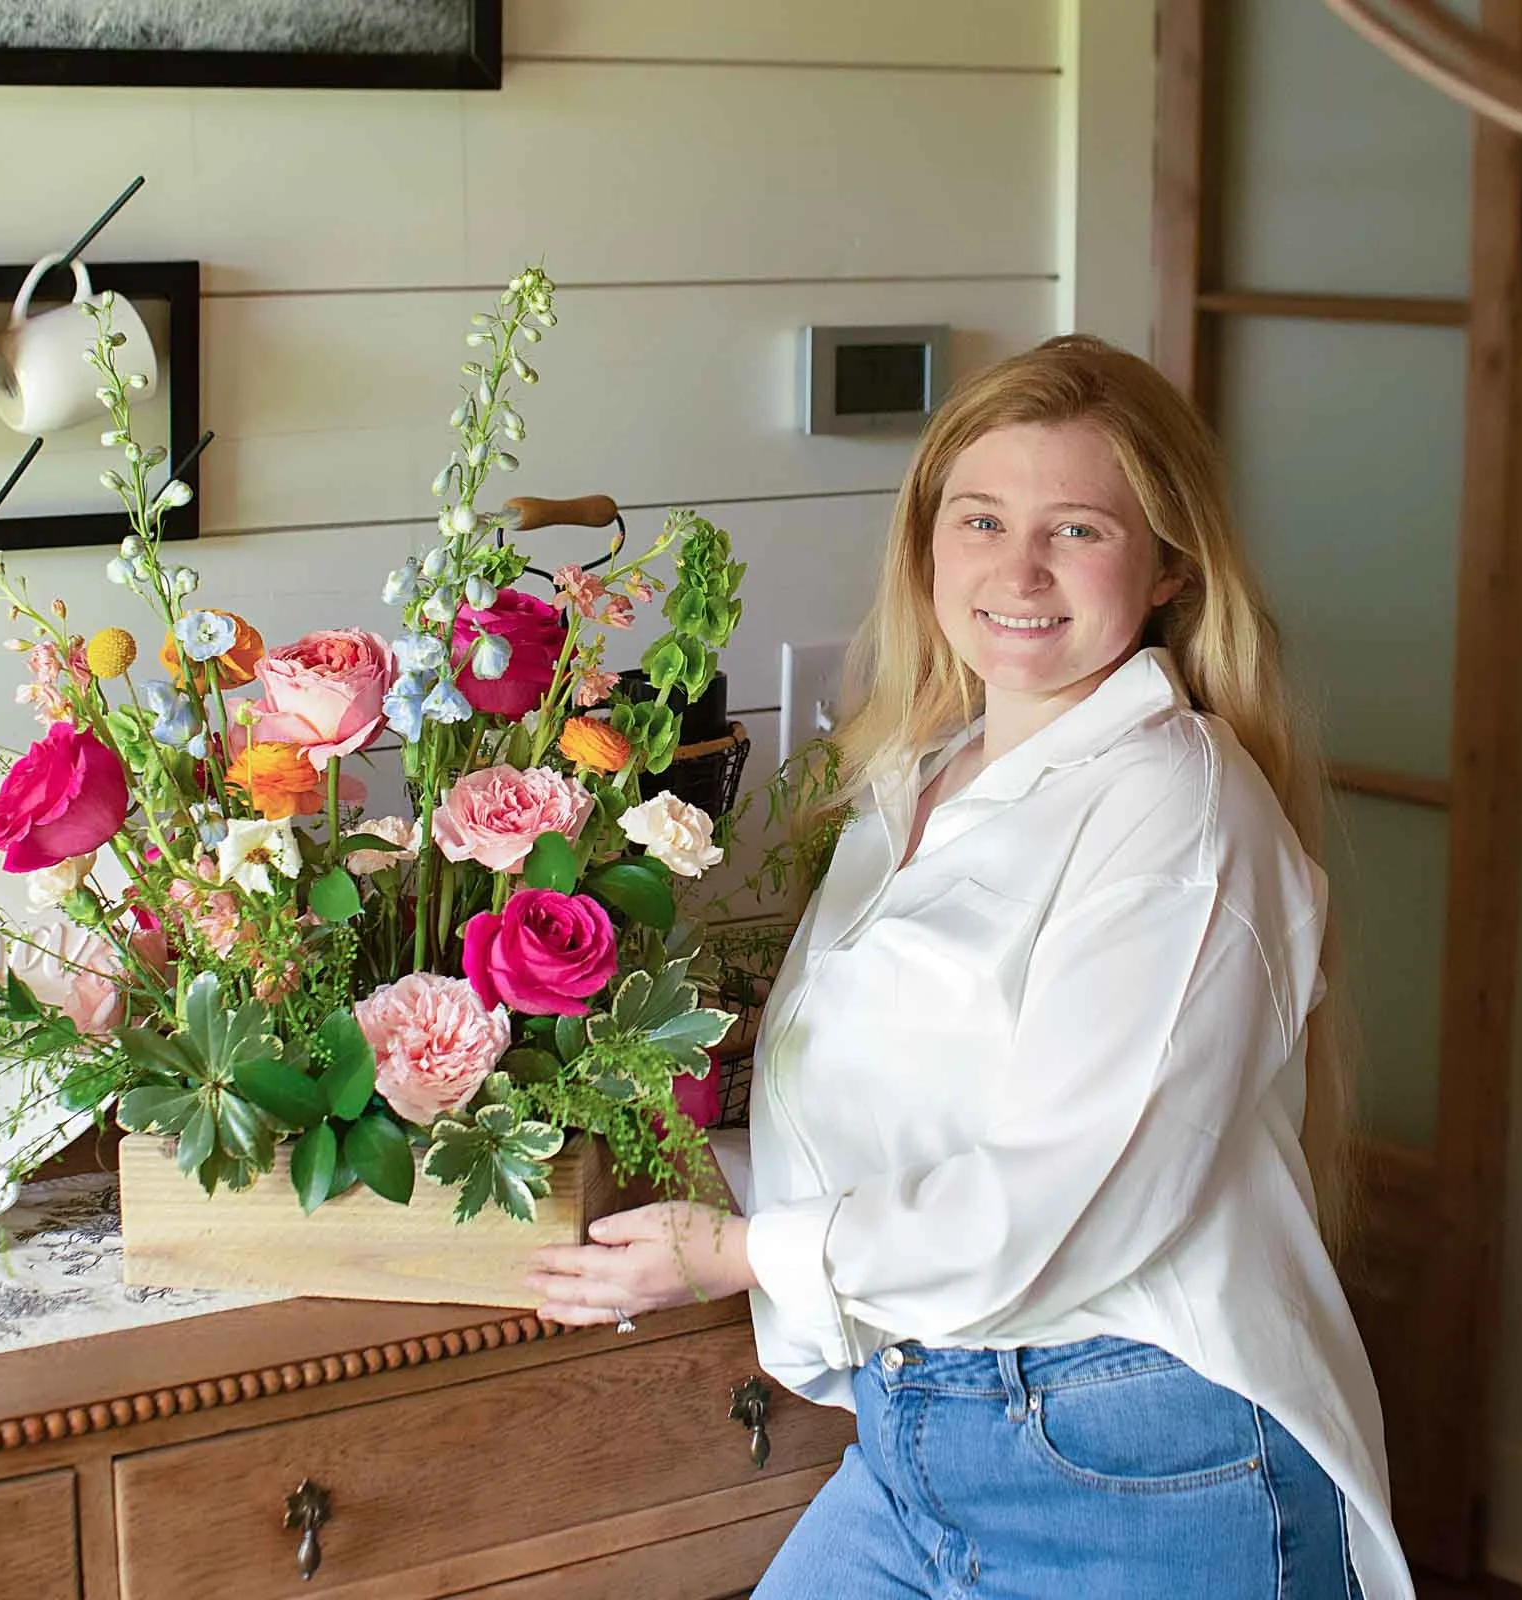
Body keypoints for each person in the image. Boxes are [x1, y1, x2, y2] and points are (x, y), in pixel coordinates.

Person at [524, 334, 1410, 1600]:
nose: (1019, 569)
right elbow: (899, 1101)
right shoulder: (919, 779)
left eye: (1080, 530)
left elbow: (1066, 1189)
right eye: (981, 518)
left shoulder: (1179, 810)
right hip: (923, 1424)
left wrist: (742, 1256)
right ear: (928, 541)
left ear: (1168, 567)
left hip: (1136, 1457)